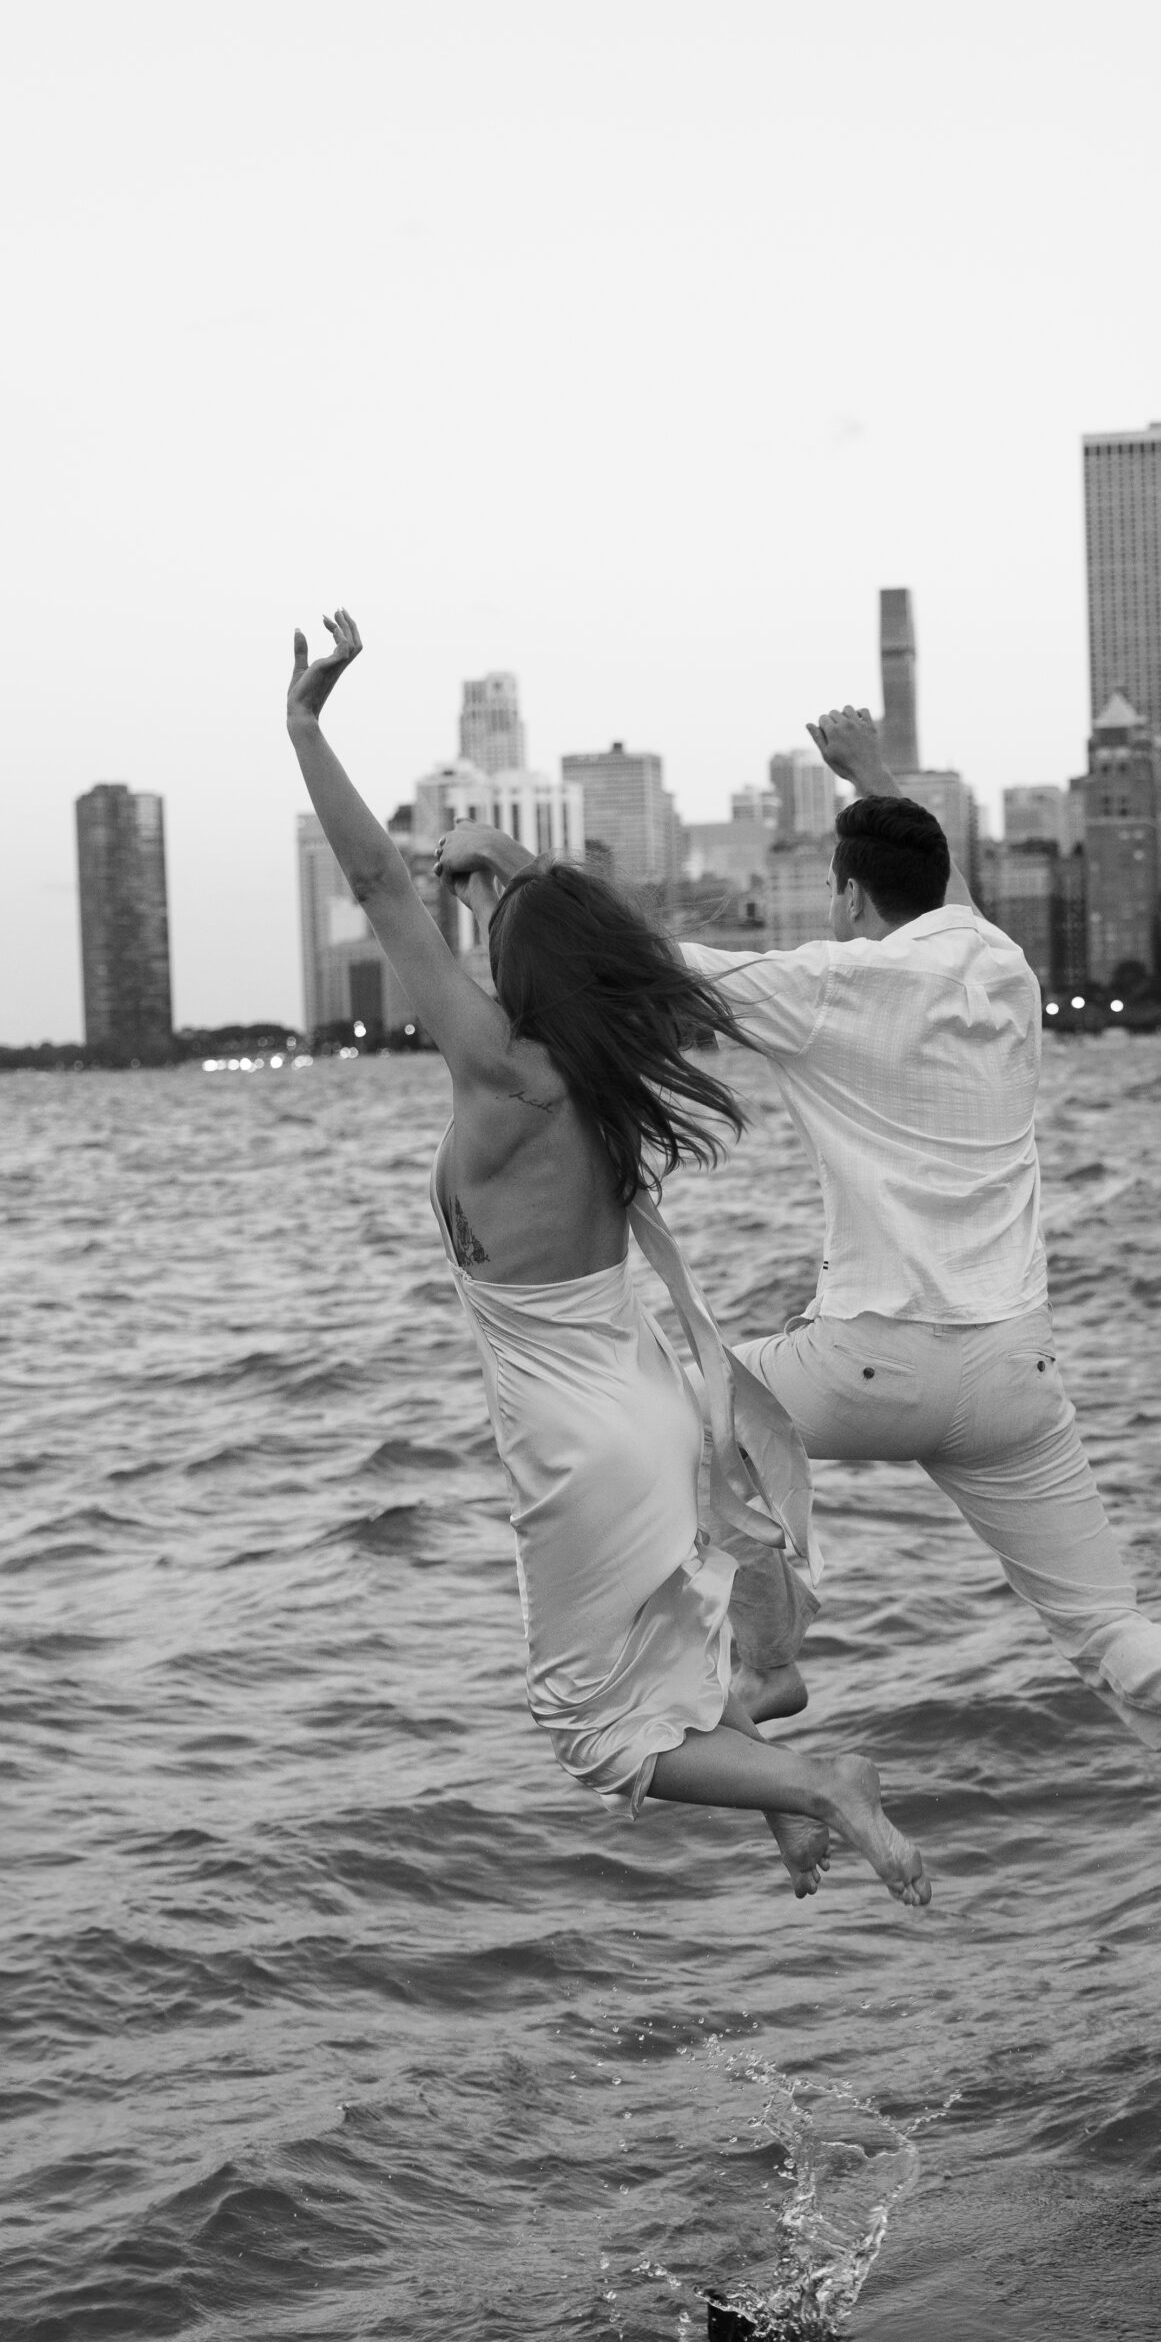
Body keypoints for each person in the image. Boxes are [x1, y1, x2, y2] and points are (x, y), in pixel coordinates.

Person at [444, 708, 1161, 1866]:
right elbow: (934, 881)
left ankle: (765, 1670)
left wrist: (510, 875)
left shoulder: (826, 985)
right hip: (1014, 1373)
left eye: (837, 894)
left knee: (682, 1429)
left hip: (871, 1359)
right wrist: (867, 776)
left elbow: (627, 965)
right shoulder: (1002, 967)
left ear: (850, 899)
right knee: (1101, 1617)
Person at [285, 615, 929, 1909]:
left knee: (589, 1729)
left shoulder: (496, 1072)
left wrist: (304, 725)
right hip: (648, 1402)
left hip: (579, 1437)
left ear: (506, 972)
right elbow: (582, 945)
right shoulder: (601, 1064)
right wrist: (508, 872)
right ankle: (766, 1743)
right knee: (663, 1650)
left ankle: (822, 1788)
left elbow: (376, 889)